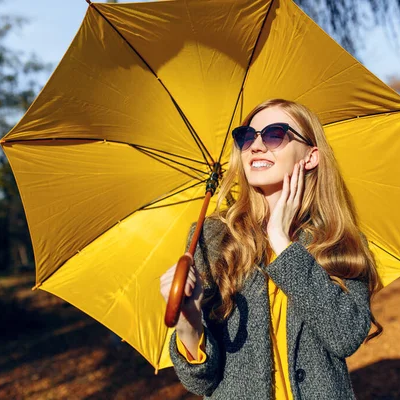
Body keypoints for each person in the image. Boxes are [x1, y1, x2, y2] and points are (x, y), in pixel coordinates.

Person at [160, 98, 383, 399]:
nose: (256, 146)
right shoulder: (213, 238)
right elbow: (201, 383)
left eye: (275, 134)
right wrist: (189, 320)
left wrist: (281, 241)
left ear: (311, 156)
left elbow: (345, 337)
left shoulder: (339, 241)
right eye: (247, 137)